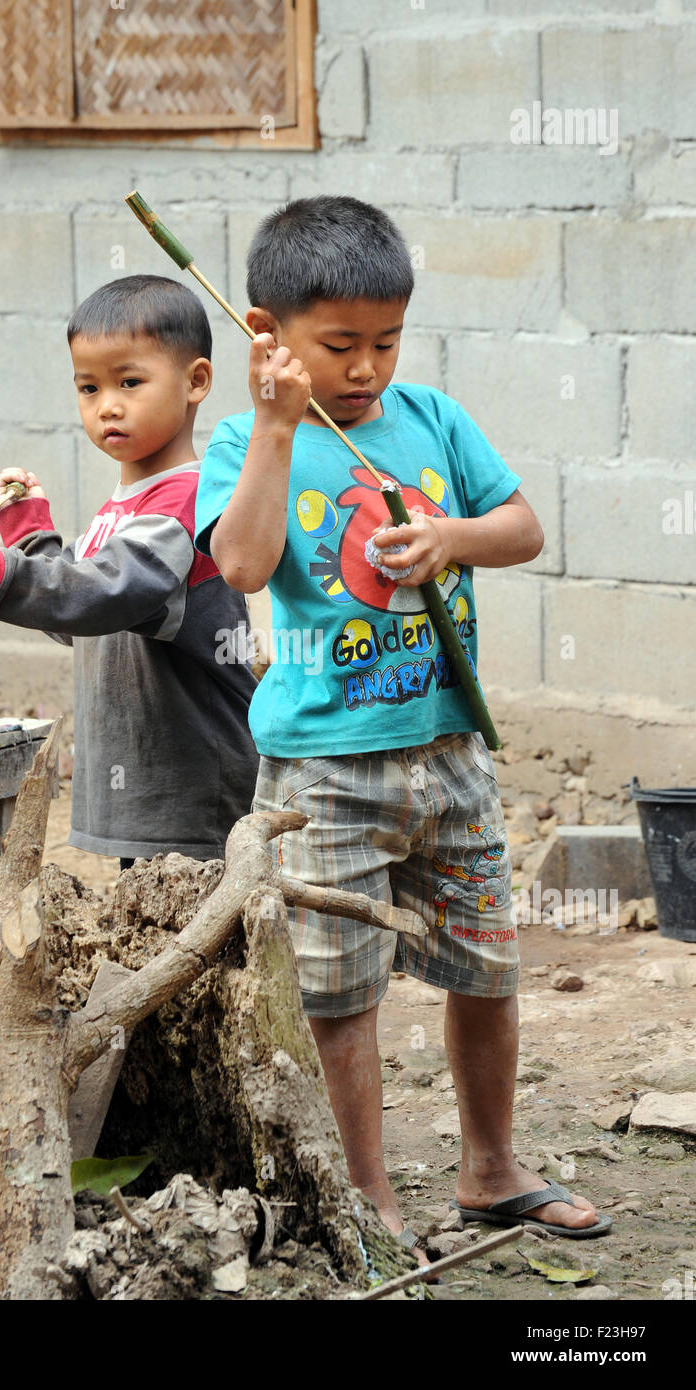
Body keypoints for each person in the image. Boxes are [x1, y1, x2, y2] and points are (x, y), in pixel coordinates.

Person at [193, 196, 610, 1257]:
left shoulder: (431, 420)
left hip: (449, 750)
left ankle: (490, 1168)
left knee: (486, 966)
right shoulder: (249, 437)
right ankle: (368, 1194)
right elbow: (240, 566)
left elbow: (521, 526)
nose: (367, 366)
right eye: (339, 345)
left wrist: (449, 538)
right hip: (323, 769)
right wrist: (281, 424)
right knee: (338, 994)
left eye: (385, 341)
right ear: (265, 335)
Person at [0, 274, 258, 869]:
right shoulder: (127, 505)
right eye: (88, 388)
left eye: (129, 382)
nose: (107, 406)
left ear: (196, 381)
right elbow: (80, 619)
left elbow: (103, 594)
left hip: (197, 796)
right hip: (150, 793)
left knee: (205, 949)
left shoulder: (187, 503)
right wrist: (29, 535)